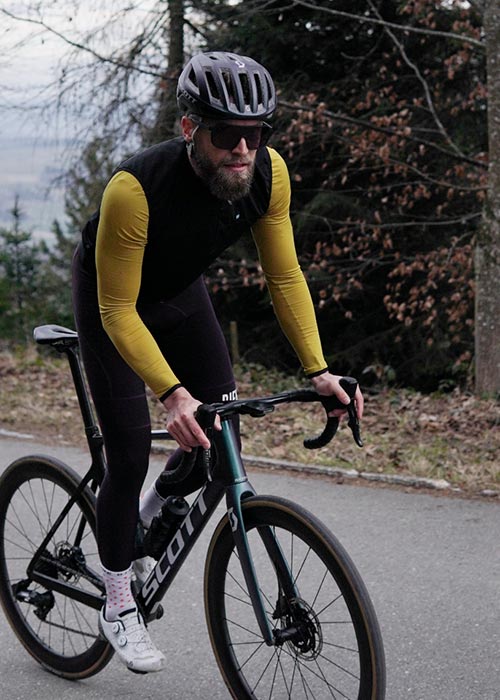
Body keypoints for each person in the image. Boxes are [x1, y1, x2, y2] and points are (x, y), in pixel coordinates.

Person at [72, 50, 364, 674]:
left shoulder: (268, 175)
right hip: (113, 302)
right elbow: (118, 310)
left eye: (257, 133)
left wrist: (318, 371)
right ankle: (117, 601)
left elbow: (284, 275)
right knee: (128, 450)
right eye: (227, 133)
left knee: (219, 424)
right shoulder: (134, 189)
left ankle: (149, 514)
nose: (243, 149)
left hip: (179, 293)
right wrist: (171, 392)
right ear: (190, 129)